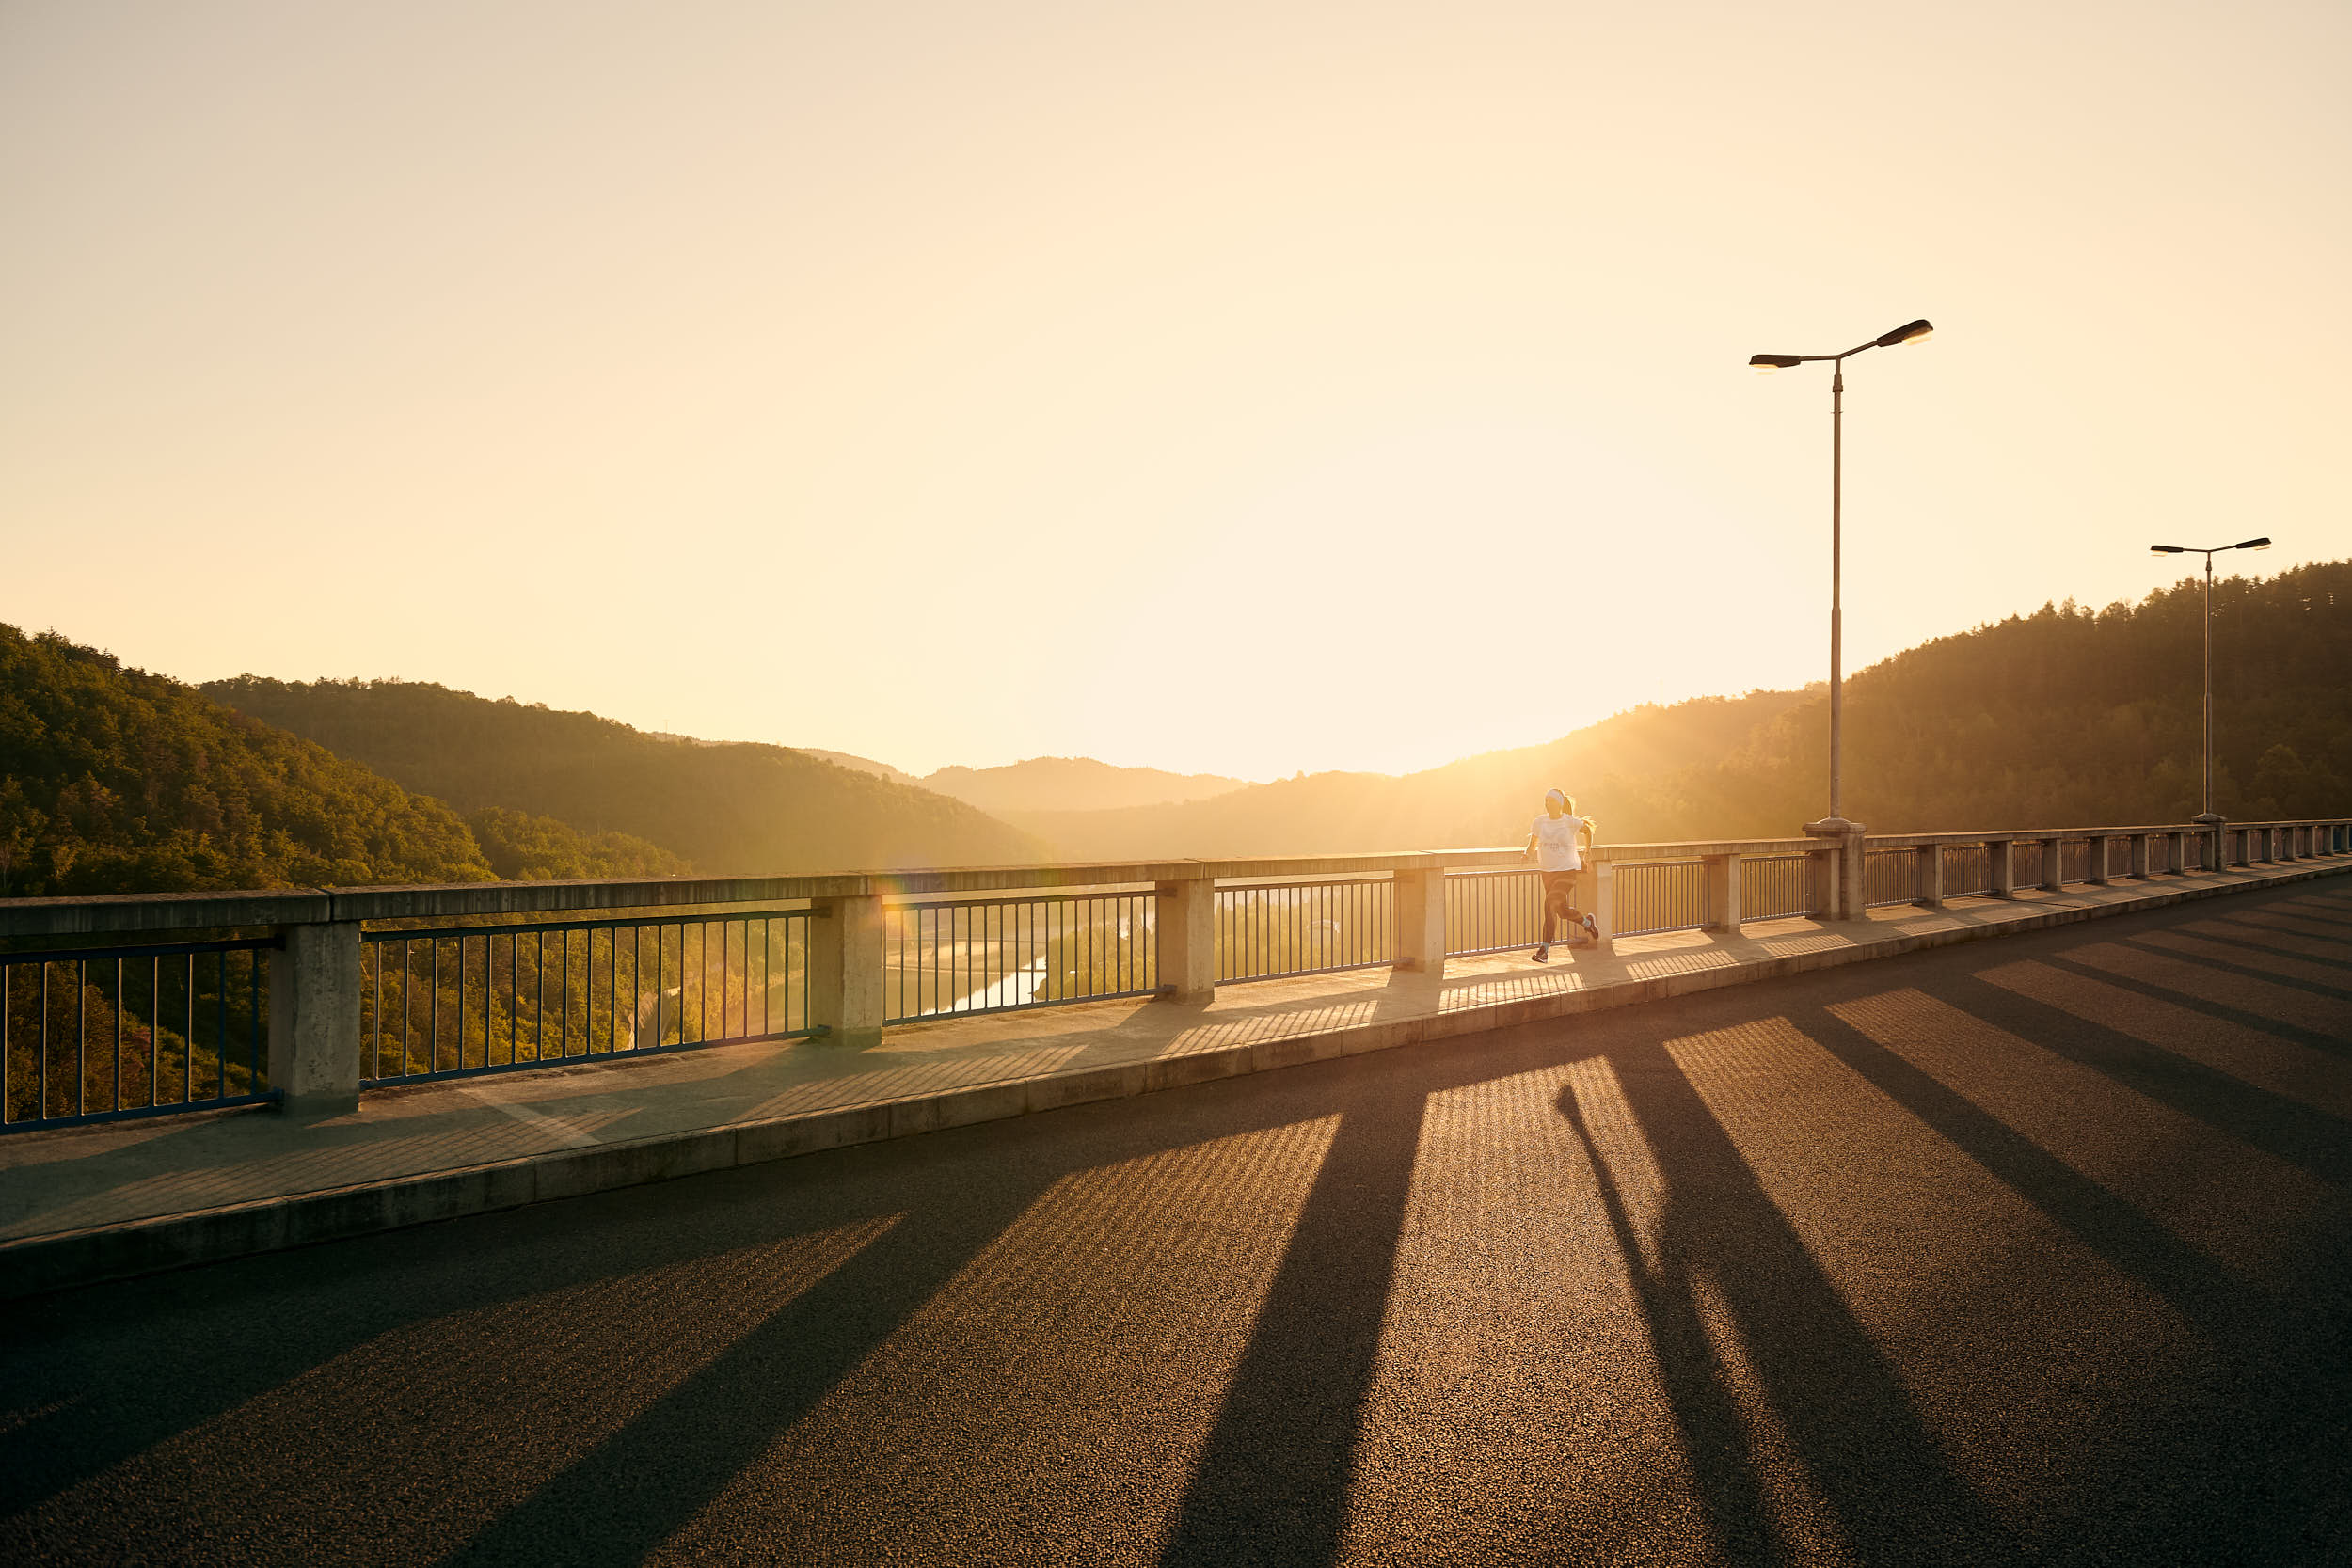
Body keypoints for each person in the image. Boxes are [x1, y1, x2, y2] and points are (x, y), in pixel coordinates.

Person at [1522, 788, 1597, 962]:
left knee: (1549, 904)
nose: (1548, 804)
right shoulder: (1539, 822)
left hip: (1567, 871)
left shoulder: (1569, 821)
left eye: (1552, 801)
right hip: (1547, 873)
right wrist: (1526, 854)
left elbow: (1587, 831)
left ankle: (1544, 950)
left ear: (1560, 804)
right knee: (1562, 911)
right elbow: (1532, 844)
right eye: (1546, 801)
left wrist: (1587, 853)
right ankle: (1588, 923)